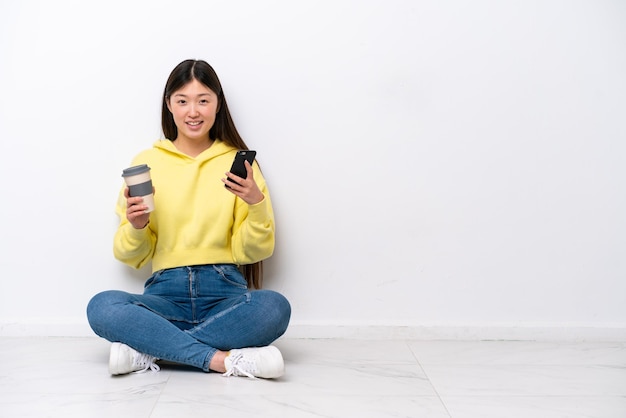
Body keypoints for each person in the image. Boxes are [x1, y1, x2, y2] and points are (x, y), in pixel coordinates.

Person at [87, 59, 291, 379]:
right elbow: (129, 256)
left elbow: (252, 252)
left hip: (225, 293)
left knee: (275, 308)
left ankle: (151, 349)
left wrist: (256, 204)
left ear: (217, 104)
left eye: (203, 100)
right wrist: (137, 227)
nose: (192, 111)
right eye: (182, 101)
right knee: (102, 306)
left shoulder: (236, 163)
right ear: (169, 105)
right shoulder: (146, 162)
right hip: (165, 295)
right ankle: (224, 361)